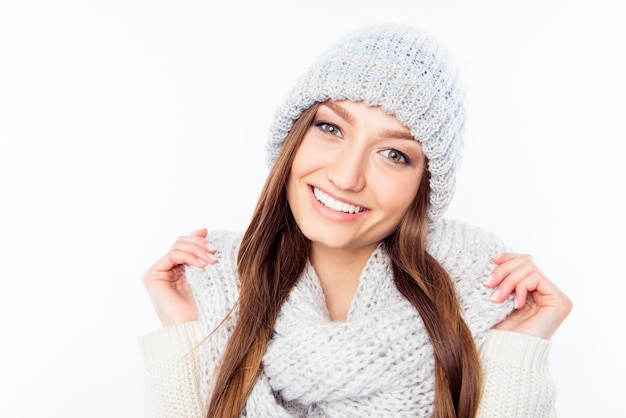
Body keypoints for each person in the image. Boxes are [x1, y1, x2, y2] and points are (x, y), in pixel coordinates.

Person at [139, 24, 572, 417]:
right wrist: (181, 330)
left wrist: (519, 348)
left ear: (424, 185)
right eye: (330, 129)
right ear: (294, 135)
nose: (346, 177)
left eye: (394, 154)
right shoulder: (219, 284)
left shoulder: (478, 300)